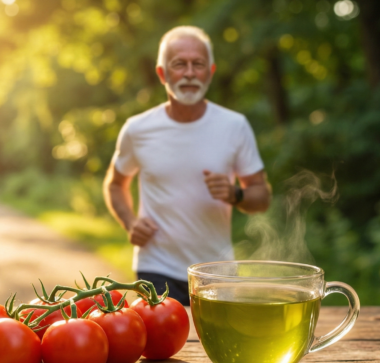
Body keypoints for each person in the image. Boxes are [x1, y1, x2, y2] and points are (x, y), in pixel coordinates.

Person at [103, 26, 271, 306]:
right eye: (179, 64)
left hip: (217, 273)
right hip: (156, 267)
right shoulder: (137, 129)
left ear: (210, 71)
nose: (190, 73)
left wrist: (235, 194)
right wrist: (130, 222)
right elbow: (115, 184)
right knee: (160, 350)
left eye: (198, 64)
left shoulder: (235, 126)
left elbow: (262, 196)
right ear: (162, 73)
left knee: (216, 350)